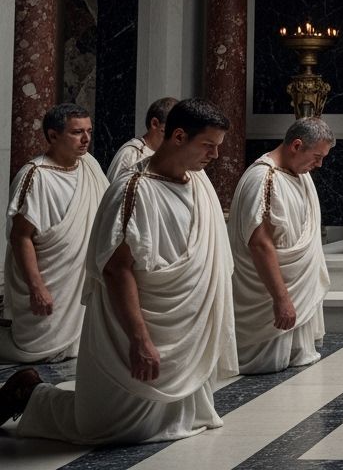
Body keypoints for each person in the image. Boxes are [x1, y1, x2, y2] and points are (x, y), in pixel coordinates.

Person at [0, 98, 238, 443]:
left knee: (170, 421)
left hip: (183, 328)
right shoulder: (133, 190)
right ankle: (30, 393)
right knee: (109, 426)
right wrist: (139, 339)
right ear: (179, 136)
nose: (215, 156)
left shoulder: (200, 185)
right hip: (134, 322)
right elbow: (115, 269)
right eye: (208, 146)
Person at [1, 104, 105, 362]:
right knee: (36, 350)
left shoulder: (89, 166)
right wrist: (37, 288)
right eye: (76, 132)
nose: (86, 139)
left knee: (80, 350)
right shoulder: (36, 176)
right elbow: (20, 236)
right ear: (53, 135)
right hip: (50, 278)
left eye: (89, 131)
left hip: (81, 279)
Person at [229, 118, 333, 374]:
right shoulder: (263, 178)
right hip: (266, 295)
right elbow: (260, 243)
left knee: (293, 365)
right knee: (265, 366)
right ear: (296, 146)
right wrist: (282, 298)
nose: (319, 164)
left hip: (294, 286)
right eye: (317, 156)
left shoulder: (299, 175)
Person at [106, 97, 179, 182]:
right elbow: (117, 191)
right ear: (154, 124)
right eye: (171, 131)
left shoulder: (174, 156)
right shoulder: (131, 155)